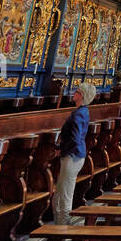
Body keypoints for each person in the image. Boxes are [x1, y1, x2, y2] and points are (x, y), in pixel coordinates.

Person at [53, 82, 96, 224]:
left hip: (72, 157)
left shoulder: (78, 114)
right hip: (76, 155)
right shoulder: (83, 111)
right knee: (59, 195)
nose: (74, 93)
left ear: (81, 95)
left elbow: (75, 139)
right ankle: (58, 230)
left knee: (64, 195)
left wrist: (61, 150)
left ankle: (61, 231)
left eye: (76, 91)